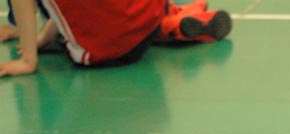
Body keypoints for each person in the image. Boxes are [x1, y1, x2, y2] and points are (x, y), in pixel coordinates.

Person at [0, 0, 231, 77]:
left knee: (105, 25)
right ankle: (169, 17)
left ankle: (170, 22)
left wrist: (28, 60)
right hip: (148, 17)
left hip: (107, 50)